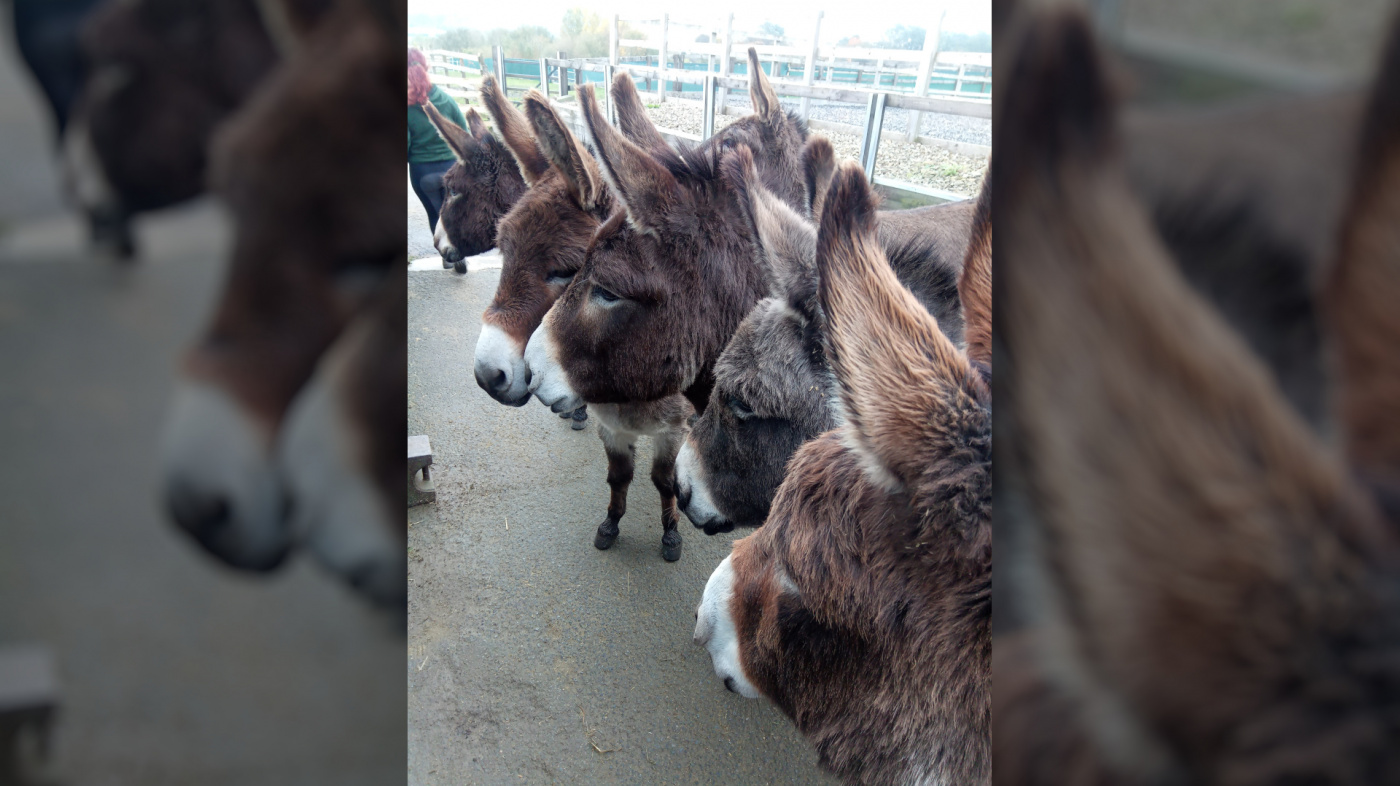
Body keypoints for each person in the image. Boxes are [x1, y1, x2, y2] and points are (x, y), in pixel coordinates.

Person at [407, 48, 464, 234]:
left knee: (435, 215)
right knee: (454, 213)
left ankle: (447, 259)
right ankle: (459, 253)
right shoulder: (447, 100)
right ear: (426, 67)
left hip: (422, 172)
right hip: (452, 170)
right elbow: (464, 133)